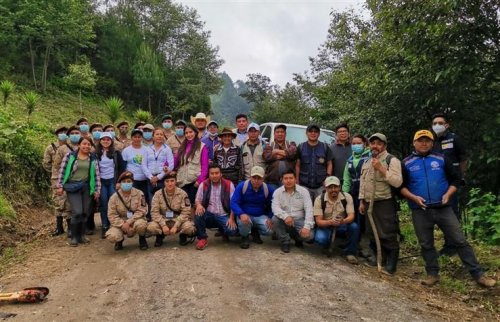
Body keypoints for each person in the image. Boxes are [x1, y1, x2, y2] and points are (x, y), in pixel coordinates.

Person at [400, 130, 495, 288]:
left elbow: (456, 179)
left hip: (444, 208)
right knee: (426, 244)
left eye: (427, 140)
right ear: (414, 143)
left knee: (460, 240)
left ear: (432, 143)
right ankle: (432, 274)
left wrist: (448, 194)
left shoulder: (442, 158)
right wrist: (413, 197)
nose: (424, 143)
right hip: (420, 209)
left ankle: (478, 275)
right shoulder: (406, 163)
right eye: (420, 140)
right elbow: (401, 187)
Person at [359, 133, 402, 275]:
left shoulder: (391, 160)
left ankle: (392, 264)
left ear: (384, 145)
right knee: (372, 232)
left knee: (387, 232)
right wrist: (361, 201)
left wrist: (381, 169)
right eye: (372, 143)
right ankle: (379, 258)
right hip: (369, 203)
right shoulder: (366, 161)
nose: (375, 146)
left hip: (384, 202)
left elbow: (397, 181)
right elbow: (363, 183)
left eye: (378, 143)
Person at [431, 113, 467, 256]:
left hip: (452, 182)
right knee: (442, 212)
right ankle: (449, 243)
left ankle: (455, 245)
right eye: (434, 123)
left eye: (440, 122)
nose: (437, 125)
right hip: (438, 182)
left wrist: (462, 176)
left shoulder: (454, 138)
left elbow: (463, 158)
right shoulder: (432, 141)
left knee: (452, 211)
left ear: (447, 125)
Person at [56, 137, 101, 247]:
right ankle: (74, 236)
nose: (86, 146)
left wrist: (96, 190)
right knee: (77, 211)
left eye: (89, 144)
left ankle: (81, 235)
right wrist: (60, 186)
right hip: (73, 186)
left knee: (85, 211)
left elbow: (96, 175)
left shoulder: (93, 158)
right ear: (79, 145)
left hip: (86, 187)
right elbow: (62, 171)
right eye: (84, 144)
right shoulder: (71, 156)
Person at [314, 176, 360, 264]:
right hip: (326, 225)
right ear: (325, 188)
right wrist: (330, 222)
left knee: (354, 227)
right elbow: (319, 221)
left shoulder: (347, 197)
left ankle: (350, 252)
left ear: (340, 187)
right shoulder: (319, 199)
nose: (333, 189)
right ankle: (327, 246)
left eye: (336, 187)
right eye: (330, 187)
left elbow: (351, 216)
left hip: (342, 224)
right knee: (320, 238)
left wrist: (343, 221)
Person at [194, 164, 237, 250]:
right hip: (209, 215)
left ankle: (223, 231)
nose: (214, 175)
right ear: (209, 174)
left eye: (216, 173)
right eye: (212, 173)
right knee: (198, 213)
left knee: (232, 231)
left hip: (223, 215)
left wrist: (231, 218)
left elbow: (234, 203)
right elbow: (197, 199)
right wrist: (198, 205)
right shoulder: (204, 184)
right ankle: (202, 238)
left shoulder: (229, 184)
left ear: (221, 174)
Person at [147, 172, 196, 247]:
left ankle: (183, 235)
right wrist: (163, 225)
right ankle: (160, 236)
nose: (170, 184)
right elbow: (154, 212)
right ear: (164, 183)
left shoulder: (182, 193)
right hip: (163, 220)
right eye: (167, 181)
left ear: (175, 182)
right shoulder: (157, 194)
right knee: (151, 227)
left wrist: (176, 226)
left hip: (178, 220)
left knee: (189, 227)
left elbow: (186, 212)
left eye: (172, 181)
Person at [231, 166, 274, 249]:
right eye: (254, 178)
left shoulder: (267, 189)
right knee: (244, 223)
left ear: (263, 178)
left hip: (260, 215)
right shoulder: (242, 186)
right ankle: (245, 236)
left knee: (270, 230)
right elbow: (234, 202)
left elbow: (273, 204)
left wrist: (270, 217)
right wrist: (241, 213)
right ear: (250, 177)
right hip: (245, 214)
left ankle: (255, 231)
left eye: (259, 178)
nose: (256, 181)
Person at [271, 169, 314, 253]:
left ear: (295, 179)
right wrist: (285, 216)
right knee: (275, 219)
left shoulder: (304, 191)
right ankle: (285, 241)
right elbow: (275, 208)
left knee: (310, 236)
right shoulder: (277, 192)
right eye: (286, 178)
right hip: (284, 220)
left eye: (291, 178)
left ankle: (298, 239)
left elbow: (309, 209)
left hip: (299, 220)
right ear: (282, 180)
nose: (288, 181)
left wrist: (306, 227)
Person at [106, 171, 149, 250]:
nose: (126, 183)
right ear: (120, 183)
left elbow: (142, 210)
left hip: (135, 220)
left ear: (132, 182)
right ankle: (119, 240)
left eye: (129, 181)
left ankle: (142, 239)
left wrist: (129, 222)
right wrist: (123, 224)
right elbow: (111, 215)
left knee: (141, 225)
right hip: (120, 222)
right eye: (124, 182)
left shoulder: (139, 193)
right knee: (111, 236)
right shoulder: (114, 197)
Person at [52, 126, 82, 237]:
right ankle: (69, 228)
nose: (75, 135)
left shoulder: (83, 146)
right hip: (65, 180)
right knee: (65, 204)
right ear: (69, 135)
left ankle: (80, 228)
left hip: (79, 180)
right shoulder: (62, 149)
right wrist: (59, 181)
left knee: (78, 205)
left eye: (77, 133)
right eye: (72, 133)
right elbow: (56, 166)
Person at [96, 132, 126, 239]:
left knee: (114, 203)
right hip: (102, 182)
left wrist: (119, 181)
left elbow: (122, 168)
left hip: (113, 181)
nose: (105, 141)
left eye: (108, 139)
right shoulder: (96, 154)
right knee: (103, 203)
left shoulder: (116, 153)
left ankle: (115, 224)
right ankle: (105, 225)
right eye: (103, 139)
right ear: (100, 141)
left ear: (111, 141)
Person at [296, 124, 333, 201]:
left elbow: (329, 164)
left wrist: (327, 177)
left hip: (321, 186)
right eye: (310, 131)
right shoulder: (301, 147)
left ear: (319, 134)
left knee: (320, 209)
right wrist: (297, 181)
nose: (313, 133)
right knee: (306, 209)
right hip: (304, 185)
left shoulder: (325, 147)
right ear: (306, 133)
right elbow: (297, 165)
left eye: (315, 131)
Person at [174, 124, 209, 207]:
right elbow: (175, 160)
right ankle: (184, 220)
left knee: (192, 204)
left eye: (190, 132)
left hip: (194, 181)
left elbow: (205, 166)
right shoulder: (182, 146)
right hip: (182, 181)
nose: (189, 134)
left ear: (195, 132)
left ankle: (192, 220)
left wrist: (199, 181)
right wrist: (166, 165)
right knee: (182, 204)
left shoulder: (202, 146)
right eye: (186, 133)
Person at [342, 134, 370, 235]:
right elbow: (347, 178)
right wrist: (345, 194)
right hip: (353, 193)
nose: (356, 145)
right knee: (354, 217)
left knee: (365, 218)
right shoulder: (350, 159)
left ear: (365, 144)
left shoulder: (370, 156)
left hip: (367, 194)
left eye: (359, 143)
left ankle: (367, 239)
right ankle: (355, 240)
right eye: (354, 143)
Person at [43, 126, 68, 236]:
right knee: (57, 201)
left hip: (69, 177)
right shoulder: (50, 148)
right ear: (56, 135)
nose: (63, 134)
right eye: (60, 132)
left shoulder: (69, 146)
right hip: (56, 179)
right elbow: (46, 163)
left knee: (68, 202)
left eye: (65, 132)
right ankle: (59, 227)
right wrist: (54, 172)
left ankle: (70, 227)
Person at [142, 128, 174, 207]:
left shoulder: (167, 149)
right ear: (153, 137)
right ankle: (153, 217)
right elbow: (143, 165)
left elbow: (171, 166)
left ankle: (163, 218)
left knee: (163, 200)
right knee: (151, 200)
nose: (159, 136)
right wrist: (151, 177)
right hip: (150, 178)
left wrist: (158, 177)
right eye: (157, 134)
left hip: (162, 178)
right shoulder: (147, 149)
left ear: (163, 136)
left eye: (161, 134)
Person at [121, 129, 149, 217]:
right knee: (132, 199)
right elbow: (123, 167)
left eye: (139, 137)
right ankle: (131, 217)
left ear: (142, 138)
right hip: (132, 180)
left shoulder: (147, 150)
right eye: (135, 137)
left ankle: (144, 216)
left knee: (144, 199)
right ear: (131, 138)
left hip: (144, 179)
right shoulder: (126, 150)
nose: (137, 139)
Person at [262, 124, 297, 188]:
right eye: (277, 132)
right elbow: (267, 157)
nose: (280, 134)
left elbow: (292, 154)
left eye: (282, 132)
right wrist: (286, 154)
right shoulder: (268, 145)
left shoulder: (291, 143)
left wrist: (275, 151)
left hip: (289, 181)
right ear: (274, 134)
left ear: (285, 134)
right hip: (272, 181)